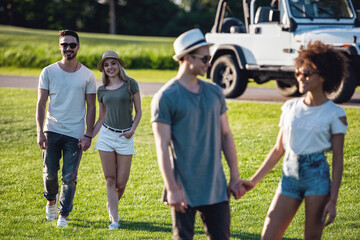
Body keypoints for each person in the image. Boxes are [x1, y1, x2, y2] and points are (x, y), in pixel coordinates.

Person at [151, 28, 252, 240]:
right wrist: (172, 188)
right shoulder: (165, 97)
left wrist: (234, 176)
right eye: (205, 58)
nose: (209, 63)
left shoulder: (214, 92)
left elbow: (226, 135)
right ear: (186, 58)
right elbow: (161, 146)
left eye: (210, 58)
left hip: (216, 186)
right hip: (182, 187)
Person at [245, 41, 348, 240]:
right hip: (289, 176)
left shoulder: (335, 114)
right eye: (298, 73)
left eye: (307, 74)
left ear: (324, 76)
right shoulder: (290, 107)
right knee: (268, 236)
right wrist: (253, 181)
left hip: (317, 178)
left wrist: (333, 200)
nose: (301, 78)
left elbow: (338, 160)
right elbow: (278, 149)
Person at [36, 30, 96, 227]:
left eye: (72, 45)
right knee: (50, 173)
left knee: (69, 177)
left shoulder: (87, 75)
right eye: (64, 44)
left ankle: (63, 215)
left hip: (75, 134)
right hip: (51, 130)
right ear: (59, 46)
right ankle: (51, 202)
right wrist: (40, 131)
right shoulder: (48, 72)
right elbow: (41, 103)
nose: (68, 48)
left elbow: (92, 106)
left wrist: (88, 134)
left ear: (78, 47)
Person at [90, 50, 142, 230]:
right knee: (110, 180)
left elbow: (139, 112)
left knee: (121, 183)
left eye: (113, 63)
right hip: (106, 137)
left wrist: (132, 131)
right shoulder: (102, 90)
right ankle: (114, 218)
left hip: (125, 137)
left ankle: (111, 204)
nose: (110, 67)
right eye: (106, 65)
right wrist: (89, 136)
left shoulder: (130, 84)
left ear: (119, 65)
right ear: (103, 69)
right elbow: (101, 117)